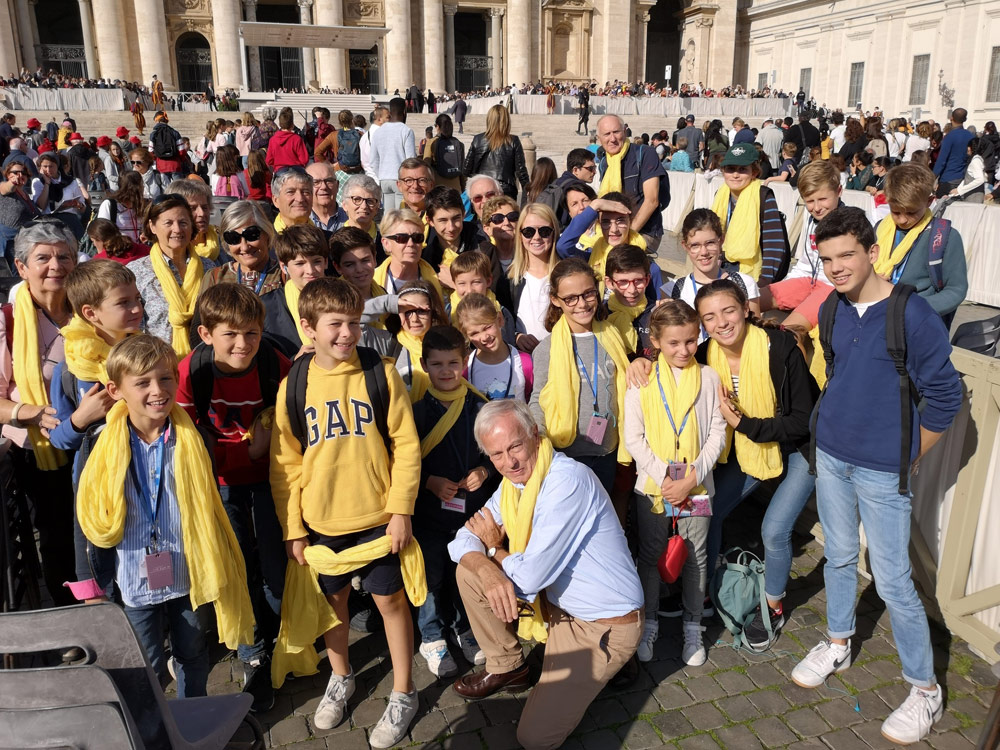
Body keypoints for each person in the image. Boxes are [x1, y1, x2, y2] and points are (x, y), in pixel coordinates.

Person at [791, 206, 962, 745]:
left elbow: (946, 398)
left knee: (892, 580)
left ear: (872, 252)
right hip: (831, 457)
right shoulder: (832, 308)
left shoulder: (912, 314)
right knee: (839, 556)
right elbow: (837, 372)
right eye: (827, 259)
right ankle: (838, 642)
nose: (837, 268)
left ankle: (925, 689)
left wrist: (908, 456)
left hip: (883, 469)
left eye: (846, 255)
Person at [269, 277, 423, 746]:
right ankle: (341, 676)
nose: (346, 333)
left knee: (390, 602)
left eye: (354, 323)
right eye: (335, 324)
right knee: (333, 606)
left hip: (377, 517)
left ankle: (404, 691)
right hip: (322, 522)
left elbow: (406, 444)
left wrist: (401, 509)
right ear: (308, 328)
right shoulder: (294, 385)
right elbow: (285, 465)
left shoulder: (380, 372)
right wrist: (293, 528)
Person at [447, 399, 642, 749]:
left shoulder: (567, 481)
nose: (509, 462)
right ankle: (508, 667)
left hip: (603, 624)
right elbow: (462, 539)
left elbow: (530, 578)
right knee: (470, 572)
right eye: (496, 454)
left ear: (534, 435)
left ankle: (614, 663)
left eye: (515, 447)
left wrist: (495, 550)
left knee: (534, 737)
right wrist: (488, 568)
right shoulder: (514, 485)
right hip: (560, 609)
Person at [75, 334, 253, 699]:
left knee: (193, 650)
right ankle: (152, 723)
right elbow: (84, 515)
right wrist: (88, 585)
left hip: (187, 571)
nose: (157, 390)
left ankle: (193, 714)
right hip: (132, 576)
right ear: (116, 390)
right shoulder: (98, 443)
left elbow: (207, 505)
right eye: (142, 383)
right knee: (146, 664)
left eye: (165, 378)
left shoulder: (194, 439)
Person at [179, 283, 291, 712]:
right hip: (222, 480)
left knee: (277, 566)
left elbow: (294, 416)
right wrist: (247, 452)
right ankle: (252, 650)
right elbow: (189, 442)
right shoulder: (191, 372)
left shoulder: (273, 362)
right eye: (230, 334)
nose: (242, 344)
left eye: (251, 333)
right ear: (206, 334)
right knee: (236, 565)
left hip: (271, 478)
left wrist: (264, 453)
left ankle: (284, 637)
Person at [626, 299, 727, 666]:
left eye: (690, 341)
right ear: (655, 341)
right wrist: (665, 477)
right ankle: (650, 622)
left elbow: (717, 432)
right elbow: (634, 437)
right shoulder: (642, 379)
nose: (684, 350)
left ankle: (692, 626)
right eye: (674, 343)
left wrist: (693, 476)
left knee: (696, 557)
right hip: (654, 489)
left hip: (696, 488)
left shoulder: (709, 377)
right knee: (651, 555)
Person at [0, 220, 78, 607]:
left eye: (64, 257)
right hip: (38, 448)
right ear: (21, 267)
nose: (55, 266)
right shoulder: (8, 320)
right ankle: (69, 610)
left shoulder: (90, 310)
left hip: (93, 438)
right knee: (58, 531)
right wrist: (27, 411)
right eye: (43, 258)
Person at [410, 325, 496, 677]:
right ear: (424, 365)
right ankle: (431, 635)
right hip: (428, 516)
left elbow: (497, 455)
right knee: (430, 576)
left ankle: (465, 627)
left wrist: (485, 471)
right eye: (437, 364)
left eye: (453, 363)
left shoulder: (481, 407)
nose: (446, 371)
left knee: (465, 571)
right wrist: (428, 482)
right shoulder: (414, 412)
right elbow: (399, 465)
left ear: (465, 362)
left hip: (468, 515)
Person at [528, 258, 630, 493]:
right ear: (556, 300)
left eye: (588, 294)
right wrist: (539, 441)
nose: (582, 304)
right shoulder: (547, 349)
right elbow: (538, 399)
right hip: (566, 454)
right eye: (571, 298)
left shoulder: (613, 336)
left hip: (607, 451)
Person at [49, 260, 143, 488]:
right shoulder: (69, 371)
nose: (137, 308)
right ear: (91, 313)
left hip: (147, 475)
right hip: (97, 483)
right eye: (123, 302)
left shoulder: (149, 357)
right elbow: (58, 439)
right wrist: (81, 418)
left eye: (138, 299)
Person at [877, 163, 968, 321]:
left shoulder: (945, 237)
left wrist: (912, 307)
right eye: (896, 212)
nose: (903, 220)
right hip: (878, 317)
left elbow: (956, 289)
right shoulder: (879, 230)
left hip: (919, 322)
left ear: (929, 201)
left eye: (911, 212)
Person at [757, 160, 840, 332]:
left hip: (832, 288)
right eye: (809, 201)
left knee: (787, 330)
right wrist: (784, 286)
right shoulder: (811, 219)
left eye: (822, 199)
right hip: (808, 280)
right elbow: (806, 263)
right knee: (750, 299)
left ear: (838, 191)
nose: (816, 208)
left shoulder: (850, 224)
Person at [128, 194, 216, 355]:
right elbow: (131, 329)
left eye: (183, 223)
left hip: (203, 360)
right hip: (155, 362)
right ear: (152, 226)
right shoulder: (136, 272)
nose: (177, 229)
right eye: (168, 223)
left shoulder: (209, 268)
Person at [664, 209, 760, 339]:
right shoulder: (672, 290)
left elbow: (755, 333)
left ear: (721, 241)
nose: (704, 252)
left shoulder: (745, 283)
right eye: (695, 245)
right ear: (685, 246)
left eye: (710, 243)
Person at [710, 145, 790, 286]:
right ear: (723, 171)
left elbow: (774, 242)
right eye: (730, 169)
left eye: (742, 169)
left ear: (754, 172)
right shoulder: (720, 195)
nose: (735, 175)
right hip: (720, 266)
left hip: (751, 274)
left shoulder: (763, 196)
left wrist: (765, 280)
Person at [594, 114, 665, 248]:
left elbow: (652, 201)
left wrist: (626, 234)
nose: (612, 139)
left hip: (643, 231)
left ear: (625, 132)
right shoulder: (604, 163)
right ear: (599, 138)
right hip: (615, 230)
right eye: (607, 134)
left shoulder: (645, 154)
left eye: (616, 132)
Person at [264, 223, 331, 358]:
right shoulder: (267, 308)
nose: (310, 271)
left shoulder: (343, 298)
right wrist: (294, 361)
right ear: (284, 267)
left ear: (326, 262)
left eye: (316, 261)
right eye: (300, 263)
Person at [456, 293, 533, 402]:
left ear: (500, 319)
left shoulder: (525, 362)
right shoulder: (465, 369)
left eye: (487, 327)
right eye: (474, 333)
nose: (484, 337)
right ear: (466, 335)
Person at [203, 200, 283, 299]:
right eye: (233, 238)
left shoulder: (286, 275)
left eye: (251, 235)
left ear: (267, 234)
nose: (244, 247)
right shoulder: (214, 278)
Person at [391, 281, 449, 398]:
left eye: (421, 311)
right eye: (407, 312)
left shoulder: (449, 345)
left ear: (433, 312)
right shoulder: (388, 344)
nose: (414, 319)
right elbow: (360, 316)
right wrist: (389, 303)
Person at [463, 104, 529, 201]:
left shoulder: (478, 139)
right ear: (506, 121)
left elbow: (466, 169)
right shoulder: (513, 141)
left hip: (483, 189)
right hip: (506, 190)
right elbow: (521, 171)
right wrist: (527, 189)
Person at [375, 208, 443, 298]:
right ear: (386, 243)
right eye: (402, 238)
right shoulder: (371, 281)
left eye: (417, 238)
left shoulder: (439, 280)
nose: (411, 244)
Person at [370, 97, 416, 212]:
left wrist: (381, 175)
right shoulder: (406, 130)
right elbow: (411, 160)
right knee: (402, 214)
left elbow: (373, 160)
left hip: (384, 179)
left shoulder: (379, 131)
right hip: (401, 179)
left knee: (389, 216)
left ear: (390, 112)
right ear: (404, 112)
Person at [165, 178, 219, 262]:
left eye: (204, 207)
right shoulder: (167, 251)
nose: (201, 213)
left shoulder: (223, 242)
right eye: (192, 208)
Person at [98, 171, 149, 243]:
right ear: (134, 188)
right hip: (116, 248)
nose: (143, 188)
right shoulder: (110, 205)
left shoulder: (140, 206)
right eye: (141, 185)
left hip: (137, 248)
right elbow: (101, 233)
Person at [933, 108, 974, 197]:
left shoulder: (949, 137)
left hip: (948, 178)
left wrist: (932, 177)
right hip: (963, 178)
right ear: (965, 119)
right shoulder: (970, 136)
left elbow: (941, 160)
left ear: (951, 118)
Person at [425, 114, 465, 192]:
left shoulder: (432, 142)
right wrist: (463, 188)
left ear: (438, 127)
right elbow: (462, 169)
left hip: (438, 188)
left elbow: (426, 166)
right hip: (456, 188)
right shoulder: (458, 143)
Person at [271, 166, 314, 233]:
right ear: (276, 200)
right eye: (290, 192)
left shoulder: (326, 238)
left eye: (305, 192)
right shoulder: (266, 238)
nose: (300, 199)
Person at [265, 108, 308, 172]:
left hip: (279, 171)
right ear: (292, 125)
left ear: (280, 124)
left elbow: (269, 160)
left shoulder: (273, 140)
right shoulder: (297, 139)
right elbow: (304, 159)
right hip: (296, 171)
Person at [306, 161, 343, 235]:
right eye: (316, 182)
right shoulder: (300, 221)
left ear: (337, 186)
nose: (324, 187)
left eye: (329, 181)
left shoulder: (351, 219)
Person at [950, 137, 986, 203]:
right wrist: (958, 189)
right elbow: (968, 179)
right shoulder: (978, 160)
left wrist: (960, 190)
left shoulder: (976, 161)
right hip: (972, 197)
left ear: (970, 148)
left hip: (974, 199)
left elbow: (980, 179)